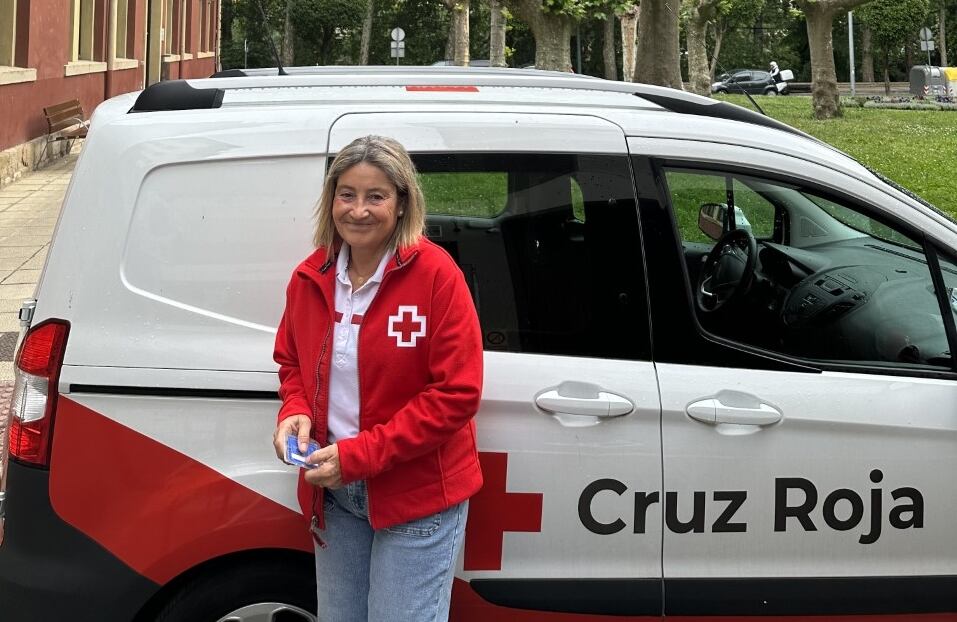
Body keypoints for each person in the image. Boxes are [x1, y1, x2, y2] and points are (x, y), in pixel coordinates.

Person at [272, 135, 484, 621]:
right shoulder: (311, 276)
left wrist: (360, 456)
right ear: (331, 200)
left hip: (416, 495)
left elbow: (457, 393)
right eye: (347, 194)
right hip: (337, 493)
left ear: (402, 202)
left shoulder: (436, 276)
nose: (358, 210)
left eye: (376, 196)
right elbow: (292, 363)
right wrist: (296, 411)